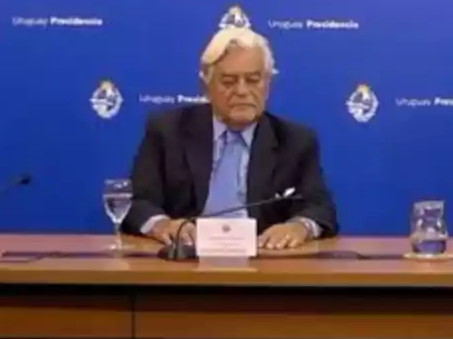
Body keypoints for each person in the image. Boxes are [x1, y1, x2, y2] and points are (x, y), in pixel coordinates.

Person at [123, 26, 338, 250]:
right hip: (186, 262)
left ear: (267, 85)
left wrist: (298, 227)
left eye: (253, 80)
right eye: (229, 81)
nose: (242, 91)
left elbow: (320, 208)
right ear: (206, 86)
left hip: (264, 265)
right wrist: (162, 225)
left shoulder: (295, 140)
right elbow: (137, 203)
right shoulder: (168, 131)